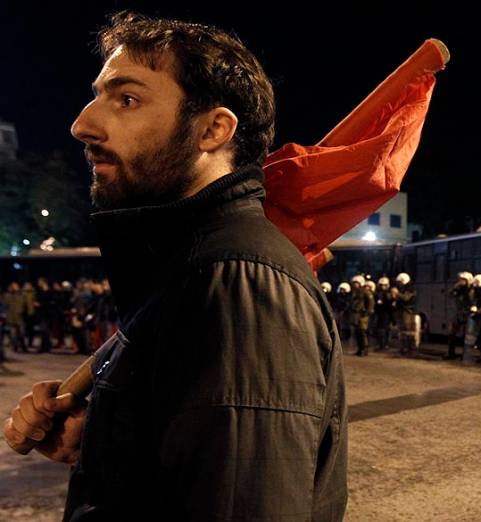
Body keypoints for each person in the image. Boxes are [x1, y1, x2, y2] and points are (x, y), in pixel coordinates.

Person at [2, 13, 346, 520]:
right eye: (98, 95)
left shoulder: (237, 283)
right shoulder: (189, 268)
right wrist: (105, 435)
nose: (82, 124)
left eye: (127, 99)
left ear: (212, 129)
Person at [445, 272, 474, 360]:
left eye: (463, 280)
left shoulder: (471, 290)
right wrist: (455, 287)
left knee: (466, 335)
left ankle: (465, 354)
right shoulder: (459, 289)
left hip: (467, 314)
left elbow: (472, 301)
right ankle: (451, 353)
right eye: (460, 280)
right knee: (452, 333)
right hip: (458, 313)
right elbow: (450, 295)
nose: (460, 282)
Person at [349, 275, 375, 356]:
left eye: (356, 283)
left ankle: (364, 349)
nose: (354, 284)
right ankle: (360, 349)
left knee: (362, 332)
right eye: (354, 283)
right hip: (356, 314)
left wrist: (367, 311)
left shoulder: (365, 291)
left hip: (362, 314)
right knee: (358, 332)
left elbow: (371, 302)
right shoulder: (354, 291)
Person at [393, 272, 417, 354]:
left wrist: (397, 294)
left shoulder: (410, 289)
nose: (399, 284)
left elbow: (406, 298)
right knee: (402, 331)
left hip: (408, 312)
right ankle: (403, 348)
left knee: (408, 330)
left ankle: (410, 348)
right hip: (401, 311)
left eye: (400, 282)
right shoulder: (402, 289)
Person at [373, 277, 394, 352]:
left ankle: (384, 345)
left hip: (386, 314)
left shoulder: (388, 294)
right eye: (381, 285)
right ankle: (381, 344)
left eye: (384, 285)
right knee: (379, 329)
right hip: (380, 313)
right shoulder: (378, 293)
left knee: (384, 330)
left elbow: (390, 305)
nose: (383, 287)